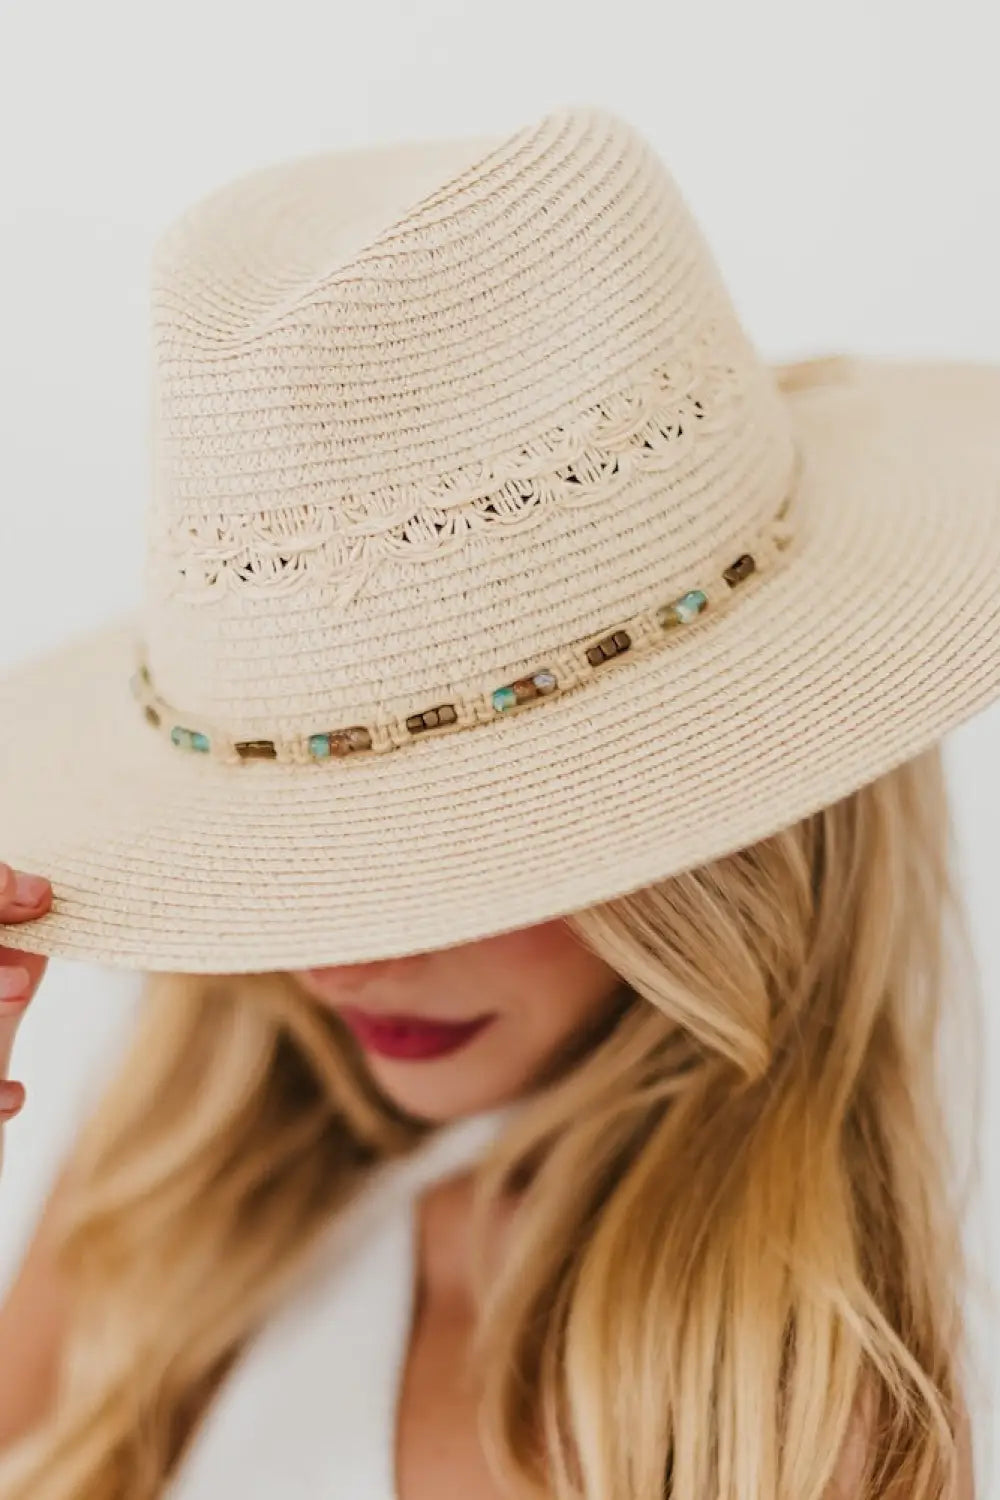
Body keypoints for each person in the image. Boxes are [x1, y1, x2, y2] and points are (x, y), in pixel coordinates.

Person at [0, 103, 994, 1499]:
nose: (334, 963)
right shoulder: (191, 1184)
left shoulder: (774, 1415)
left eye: (447, 861)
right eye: (303, 857)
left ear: (739, 834)